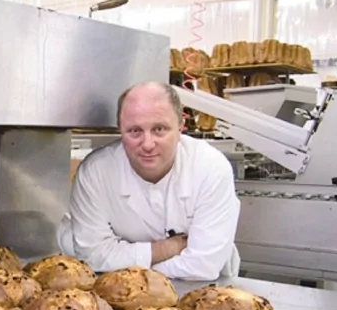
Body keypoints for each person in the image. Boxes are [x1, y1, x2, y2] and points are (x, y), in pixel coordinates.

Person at [57, 81, 241, 281]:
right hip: (120, 294)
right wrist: (169, 248)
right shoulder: (96, 172)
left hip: (204, 291)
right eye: (135, 131)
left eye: (159, 129)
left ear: (181, 128)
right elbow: (93, 256)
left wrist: (123, 261)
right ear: (120, 131)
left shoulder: (209, 167)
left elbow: (202, 265)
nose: (147, 144)